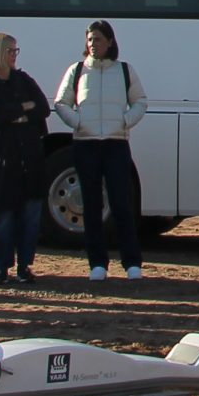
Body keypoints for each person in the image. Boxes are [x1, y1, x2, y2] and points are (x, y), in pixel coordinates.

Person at [53, 20, 150, 280]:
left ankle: (132, 262)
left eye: (97, 39)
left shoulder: (124, 71)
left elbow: (140, 101)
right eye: (89, 40)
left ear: (109, 41)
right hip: (86, 145)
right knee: (92, 205)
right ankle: (97, 263)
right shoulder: (76, 71)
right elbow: (61, 103)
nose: (92, 44)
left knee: (121, 203)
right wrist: (78, 123)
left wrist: (125, 121)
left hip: (116, 144)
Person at [0, 33, 52, 283]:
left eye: (15, 51)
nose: (13, 56)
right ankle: (2, 268)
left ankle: (24, 265)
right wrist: (23, 109)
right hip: (3, 161)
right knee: (4, 216)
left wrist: (15, 112)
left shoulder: (23, 79)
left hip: (29, 158)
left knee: (30, 215)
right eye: (9, 51)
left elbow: (42, 107)